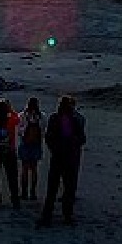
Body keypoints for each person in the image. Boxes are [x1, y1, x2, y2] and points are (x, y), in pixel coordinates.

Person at [37, 94, 86, 227]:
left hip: (62, 157)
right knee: (66, 188)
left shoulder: (59, 118)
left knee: (54, 188)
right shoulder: (75, 119)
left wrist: (56, 148)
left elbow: (49, 138)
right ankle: (65, 216)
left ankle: (50, 215)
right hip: (68, 158)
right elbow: (81, 139)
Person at [17, 97, 44, 200]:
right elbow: (43, 131)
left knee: (24, 168)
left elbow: (19, 131)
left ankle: (24, 192)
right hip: (36, 144)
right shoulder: (42, 116)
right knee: (34, 169)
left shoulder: (22, 116)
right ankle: (33, 192)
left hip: (25, 144)